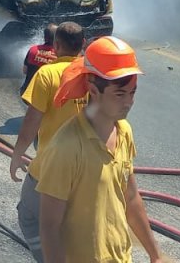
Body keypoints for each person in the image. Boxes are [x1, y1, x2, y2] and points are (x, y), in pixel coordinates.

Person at [35, 36, 163, 263]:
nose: (129, 102)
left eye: (132, 93)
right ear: (94, 90)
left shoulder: (124, 131)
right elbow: (49, 226)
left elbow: (131, 198)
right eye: (120, 94)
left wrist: (156, 255)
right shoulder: (67, 147)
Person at [9, 22, 84, 262]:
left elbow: (31, 122)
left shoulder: (48, 74)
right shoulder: (93, 75)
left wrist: (17, 154)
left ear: (56, 45)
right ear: (82, 45)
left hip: (50, 168)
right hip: (86, 167)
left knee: (28, 216)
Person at [19, 23, 59, 96]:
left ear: (44, 37)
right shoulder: (59, 55)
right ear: (58, 39)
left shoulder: (32, 49)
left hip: (27, 93)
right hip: (46, 97)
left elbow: (25, 71)